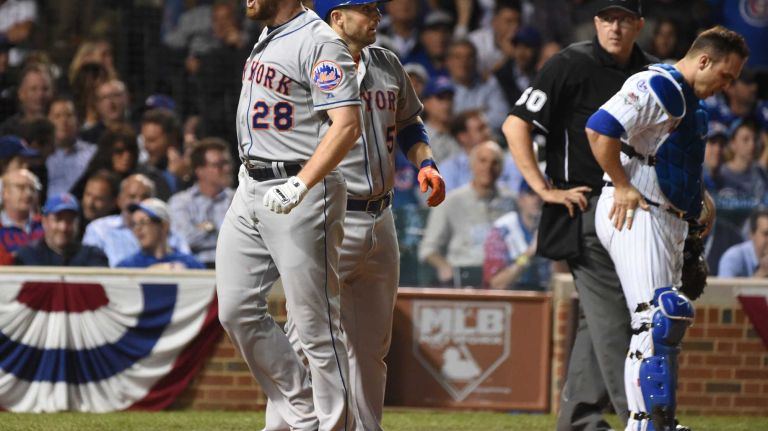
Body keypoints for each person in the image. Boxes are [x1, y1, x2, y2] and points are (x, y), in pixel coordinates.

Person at [264, 2, 445, 430]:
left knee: (370, 349)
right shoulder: (304, 62)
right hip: (327, 214)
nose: (376, 16)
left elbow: (411, 124)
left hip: (381, 218)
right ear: (336, 18)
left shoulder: (387, 63)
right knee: (306, 342)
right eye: (363, 9)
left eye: (374, 9)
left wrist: (426, 164)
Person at [586, 25, 748, 430]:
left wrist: (700, 199)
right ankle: (644, 424)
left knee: (665, 321)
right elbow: (599, 127)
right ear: (704, 60)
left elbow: (671, 157)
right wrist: (621, 185)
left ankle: (659, 422)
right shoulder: (657, 84)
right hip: (634, 210)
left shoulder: (689, 101)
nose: (727, 85)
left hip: (666, 217)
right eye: (725, 75)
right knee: (655, 317)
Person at [501, 1, 654, 429]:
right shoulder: (570, 63)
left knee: (601, 319)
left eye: (625, 19)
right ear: (596, 22)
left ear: (639, 24)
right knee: (620, 322)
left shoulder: (653, 73)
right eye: (608, 18)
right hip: (585, 209)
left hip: (635, 213)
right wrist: (542, 189)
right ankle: (641, 419)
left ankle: (580, 421)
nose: (616, 27)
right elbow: (516, 124)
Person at [214, 1, 363, 430]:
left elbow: (346, 124)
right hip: (251, 186)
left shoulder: (319, 41)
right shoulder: (267, 34)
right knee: (236, 310)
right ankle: (304, 414)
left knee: (316, 326)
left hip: (301, 187)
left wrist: (302, 184)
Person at [419, 141, 514, 288]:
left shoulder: (510, 202)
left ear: (501, 169)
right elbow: (428, 249)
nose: (488, 167)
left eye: (494, 163)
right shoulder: (451, 202)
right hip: (462, 276)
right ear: (472, 165)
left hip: (503, 277)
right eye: (482, 160)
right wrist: (444, 268)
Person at [82, 173, 190, 266]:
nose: (139, 202)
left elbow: (188, 265)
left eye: (145, 197)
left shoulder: (169, 232)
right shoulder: (99, 229)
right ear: (119, 200)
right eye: (132, 196)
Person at [168, 137, 234, 268]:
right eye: (219, 165)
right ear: (200, 171)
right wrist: (215, 229)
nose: (227, 169)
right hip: (195, 269)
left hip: (234, 266)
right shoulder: (180, 202)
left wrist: (204, 227)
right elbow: (183, 239)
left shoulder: (238, 199)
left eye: (228, 163)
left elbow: (242, 242)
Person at [483, 180, 550, 291]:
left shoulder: (554, 228)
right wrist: (528, 254)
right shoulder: (502, 230)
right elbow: (496, 284)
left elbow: (563, 278)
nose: (538, 199)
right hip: (512, 298)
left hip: (545, 296)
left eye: (543, 194)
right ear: (520, 199)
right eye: (531, 193)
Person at [15, 192, 107, 266]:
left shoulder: (93, 256)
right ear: (44, 221)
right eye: (57, 219)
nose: (63, 228)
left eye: (70, 220)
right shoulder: (28, 255)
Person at [117, 197, 204, 269]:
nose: (137, 228)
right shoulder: (126, 267)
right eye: (134, 224)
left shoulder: (191, 265)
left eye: (143, 222)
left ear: (164, 226)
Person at [45, 96, 97, 196]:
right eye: (57, 116)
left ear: (78, 120)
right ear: (48, 121)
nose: (64, 121)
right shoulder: (42, 155)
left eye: (69, 115)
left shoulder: (93, 153)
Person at [0, 168, 43, 263]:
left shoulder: (45, 224)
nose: (28, 194)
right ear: (4, 193)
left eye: (32, 189)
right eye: (21, 187)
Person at [718, 208, 768, 278]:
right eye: (766, 234)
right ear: (752, 234)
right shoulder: (733, 258)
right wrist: (762, 272)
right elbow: (724, 289)